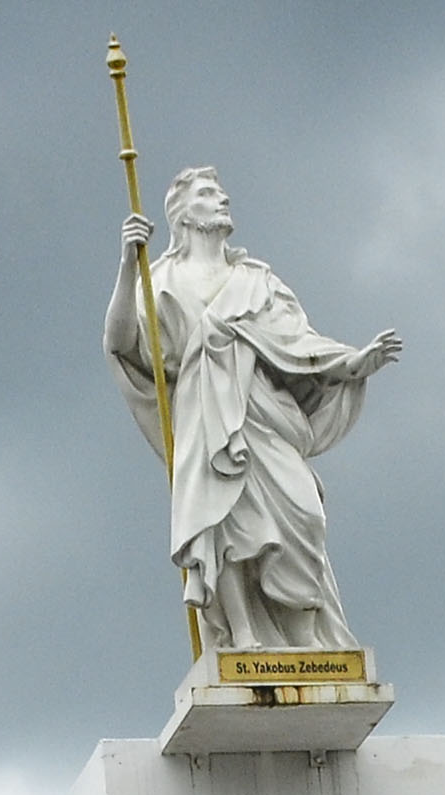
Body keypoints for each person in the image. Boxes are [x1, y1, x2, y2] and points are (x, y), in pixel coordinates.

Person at [103, 164, 403, 656]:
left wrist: (353, 362)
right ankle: (242, 637)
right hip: (201, 412)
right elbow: (121, 342)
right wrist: (126, 264)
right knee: (219, 523)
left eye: (221, 191)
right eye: (207, 192)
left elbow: (299, 344)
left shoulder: (257, 280)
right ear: (182, 214)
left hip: (262, 412)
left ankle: (308, 645)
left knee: (304, 516)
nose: (222, 198)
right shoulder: (160, 279)